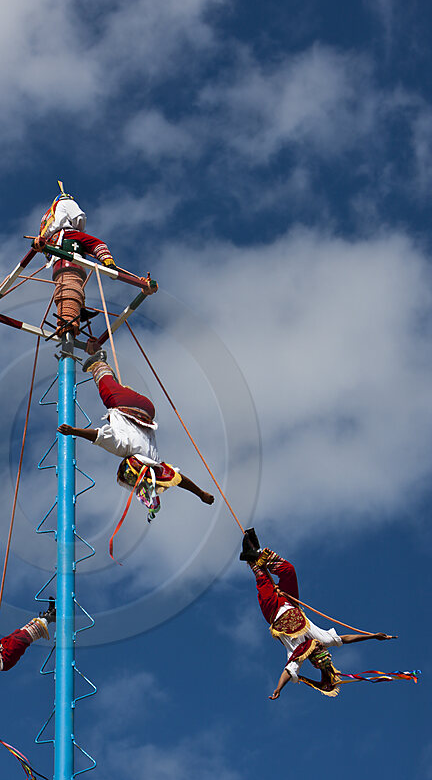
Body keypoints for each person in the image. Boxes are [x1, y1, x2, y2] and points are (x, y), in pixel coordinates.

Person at [240, 529, 397, 698]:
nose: (323, 646)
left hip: (273, 612)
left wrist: (278, 689)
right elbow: (346, 639)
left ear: (313, 653)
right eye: (324, 648)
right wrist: (373, 636)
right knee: (289, 570)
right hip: (290, 602)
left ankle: (252, 557)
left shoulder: (297, 654)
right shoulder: (322, 638)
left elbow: (287, 672)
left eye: (321, 649)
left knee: (263, 579)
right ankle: (260, 554)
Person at [58, 350, 214, 520]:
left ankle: (96, 351)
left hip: (148, 410)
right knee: (107, 390)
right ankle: (98, 361)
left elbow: (179, 479)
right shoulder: (123, 448)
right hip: (126, 404)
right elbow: (97, 435)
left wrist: (201, 494)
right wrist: (73, 431)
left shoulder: (154, 461)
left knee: (113, 391)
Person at [32, 183, 115, 336]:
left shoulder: (47, 214)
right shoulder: (66, 202)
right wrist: (80, 231)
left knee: (70, 282)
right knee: (97, 244)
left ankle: (79, 308)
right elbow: (79, 217)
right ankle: (109, 262)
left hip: (54, 248)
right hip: (67, 237)